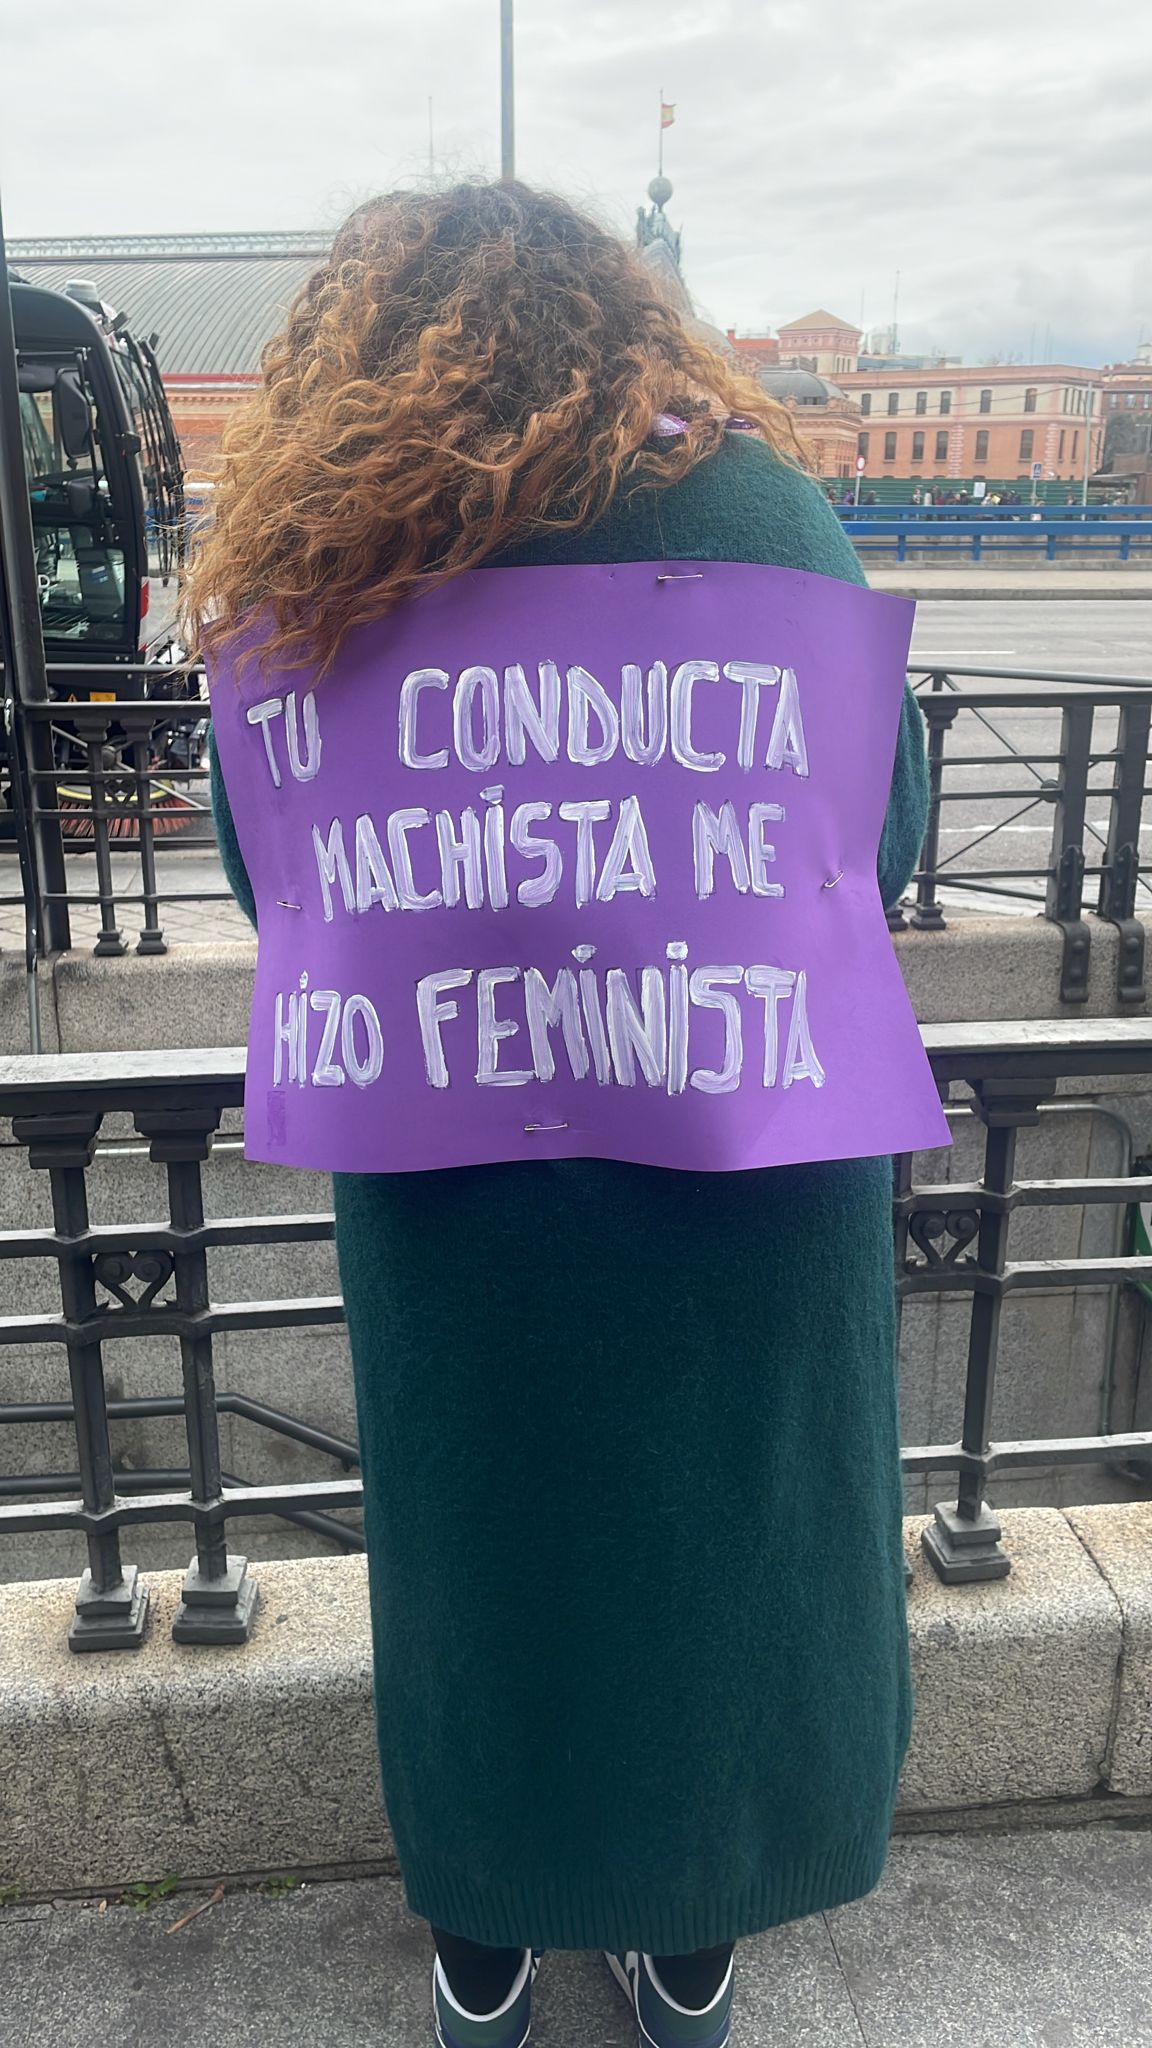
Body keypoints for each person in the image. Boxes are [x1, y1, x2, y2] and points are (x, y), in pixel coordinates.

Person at [189, 181, 928, 2048]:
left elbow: (280, 865)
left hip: (463, 1189)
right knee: (728, 1551)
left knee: (485, 1559)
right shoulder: (765, 511)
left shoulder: (341, 537)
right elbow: (883, 832)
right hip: (737, 1156)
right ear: (624, 323)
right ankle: (691, 1940)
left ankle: (489, 1940)